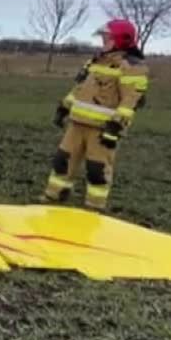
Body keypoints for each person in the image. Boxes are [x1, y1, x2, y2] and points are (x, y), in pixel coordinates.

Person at [42, 19, 149, 211]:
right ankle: (54, 196)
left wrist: (115, 127)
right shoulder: (95, 61)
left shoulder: (131, 66)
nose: (103, 41)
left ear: (121, 39)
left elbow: (130, 101)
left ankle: (94, 206)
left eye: (107, 38)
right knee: (63, 161)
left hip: (103, 129)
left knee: (96, 168)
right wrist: (64, 107)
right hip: (77, 123)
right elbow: (80, 89)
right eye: (103, 37)